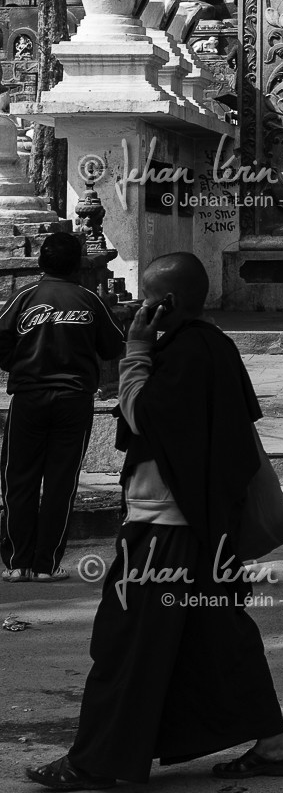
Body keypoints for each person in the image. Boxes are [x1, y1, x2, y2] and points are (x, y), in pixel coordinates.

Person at [27, 252, 283, 788]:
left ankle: (99, 762)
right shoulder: (214, 345)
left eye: (146, 297)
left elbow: (141, 415)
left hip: (166, 528)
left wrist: (134, 353)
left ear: (167, 302)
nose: (138, 307)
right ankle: (273, 744)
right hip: (204, 523)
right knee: (218, 635)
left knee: (126, 643)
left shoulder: (181, 354)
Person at [0, 232, 125, 582]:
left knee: (18, 479)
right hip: (74, 402)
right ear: (78, 264)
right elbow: (114, 346)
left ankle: (17, 563)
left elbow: (1, 337)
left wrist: (17, 364)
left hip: (29, 399)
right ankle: (45, 565)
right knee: (61, 482)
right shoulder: (89, 300)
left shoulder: (24, 298)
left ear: (42, 262)